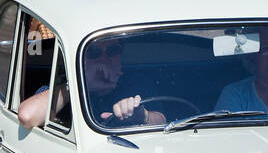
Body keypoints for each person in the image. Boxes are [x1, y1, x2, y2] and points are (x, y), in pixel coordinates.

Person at [19, 37, 165, 129]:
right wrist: (79, 85)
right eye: (93, 52)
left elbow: (162, 120)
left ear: (120, 57)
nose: (104, 59)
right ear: (82, 59)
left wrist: (141, 115)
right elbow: (27, 115)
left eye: (112, 51)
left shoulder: (136, 83)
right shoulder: (64, 85)